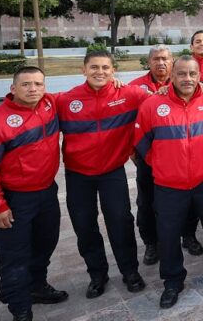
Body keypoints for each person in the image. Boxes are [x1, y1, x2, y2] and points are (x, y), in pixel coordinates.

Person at [133, 56, 203, 309]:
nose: (187, 79)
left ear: (199, 75)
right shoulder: (152, 104)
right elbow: (142, 141)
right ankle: (172, 282)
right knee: (168, 235)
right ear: (172, 76)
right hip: (169, 185)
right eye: (181, 74)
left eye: (192, 73)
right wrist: (165, 164)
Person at [0, 67, 69, 321]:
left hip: (46, 193)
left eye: (38, 83)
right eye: (26, 84)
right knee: (14, 256)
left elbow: (78, 95)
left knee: (45, 244)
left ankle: (37, 287)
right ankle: (19, 307)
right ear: (13, 88)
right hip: (14, 200)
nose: (33, 89)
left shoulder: (49, 104)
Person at [57, 51, 149, 299]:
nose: (100, 72)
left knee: (120, 222)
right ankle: (97, 275)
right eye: (94, 67)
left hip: (112, 173)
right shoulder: (66, 100)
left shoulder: (129, 94)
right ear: (83, 70)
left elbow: (162, 97)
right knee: (85, 227)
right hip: (78, 175)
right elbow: (34, 105)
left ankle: (130, 272)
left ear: (113, 71)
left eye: (106, 68)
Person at [129, 45, 203, 261]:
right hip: (149, 157)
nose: (160, 63)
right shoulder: (135, 88)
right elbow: (130, 124)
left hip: (182, 159)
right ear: (148, 62)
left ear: (172, 63)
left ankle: (188, 235)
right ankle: (152, 243)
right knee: (147, 202)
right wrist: (134, 153)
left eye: (165, 59)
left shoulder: (187, 83)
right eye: (156, 59)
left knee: (190, 200)